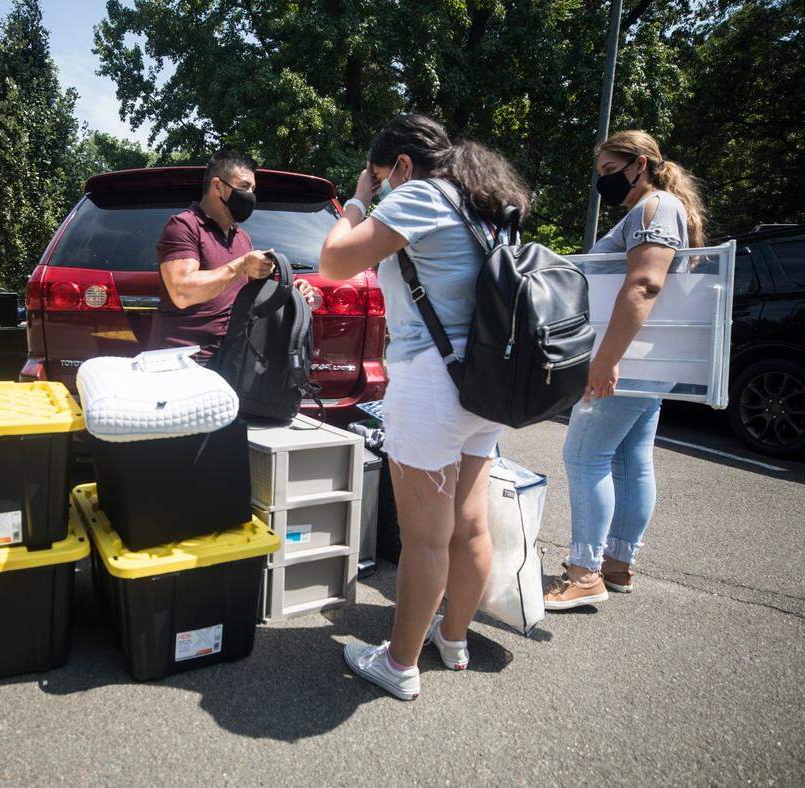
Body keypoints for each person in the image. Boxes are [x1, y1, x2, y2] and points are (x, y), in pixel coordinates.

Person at [318, 113, 531, 700]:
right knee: (468, 524)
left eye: (382, 174)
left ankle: (399, 663)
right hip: (485, 382)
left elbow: (334, 263)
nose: (381, 184)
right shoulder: (481, 204)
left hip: (433, 383)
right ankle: (454, 638)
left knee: (426, 538)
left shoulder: (421, 197)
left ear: (403, 166)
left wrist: (358, 202)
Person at [544, 130, 706, 610]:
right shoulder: (662, 209)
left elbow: (643, 286)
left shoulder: (654, 209)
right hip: (645, 359)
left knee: (584, 456)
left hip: (626, 360)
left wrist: (605, 361)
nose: (604, 182)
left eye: (610, 172)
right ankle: (616, 563)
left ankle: (584, 572)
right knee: (630, 459)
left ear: (640, 164)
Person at [149, 148, 312, 362]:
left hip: (232, 358)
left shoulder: (242, 237)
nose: (250, 195)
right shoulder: (183, 226)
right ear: (217, 186)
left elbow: (255, 292)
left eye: (253, 189)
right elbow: (182, 292)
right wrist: (240, 266)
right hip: (183, 360)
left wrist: (292, 290)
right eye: (244, 187)